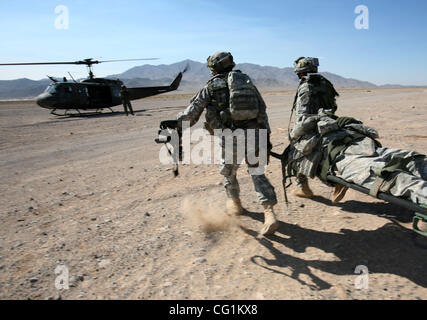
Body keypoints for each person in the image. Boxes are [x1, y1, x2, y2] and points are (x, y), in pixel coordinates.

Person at [176, 51, 279, 236]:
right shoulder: (246, 82)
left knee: (228, 172)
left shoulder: (211, 86)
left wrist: (175, 125)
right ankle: (269, 213)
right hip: (256, 134)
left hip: (230, 138)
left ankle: (236, 204)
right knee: (257, 173)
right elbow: (262, 109)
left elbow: (191, 114)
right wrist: (266, 137)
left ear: (213, 67)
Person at [288, 57, 345, 201]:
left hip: (313, 127)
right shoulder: (325, 83)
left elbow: (303, 116)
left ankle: (305, 187)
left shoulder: (306, 86)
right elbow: (333, 106)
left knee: (294, 154)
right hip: (329, 123)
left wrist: (295, 133)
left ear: (301, 72)